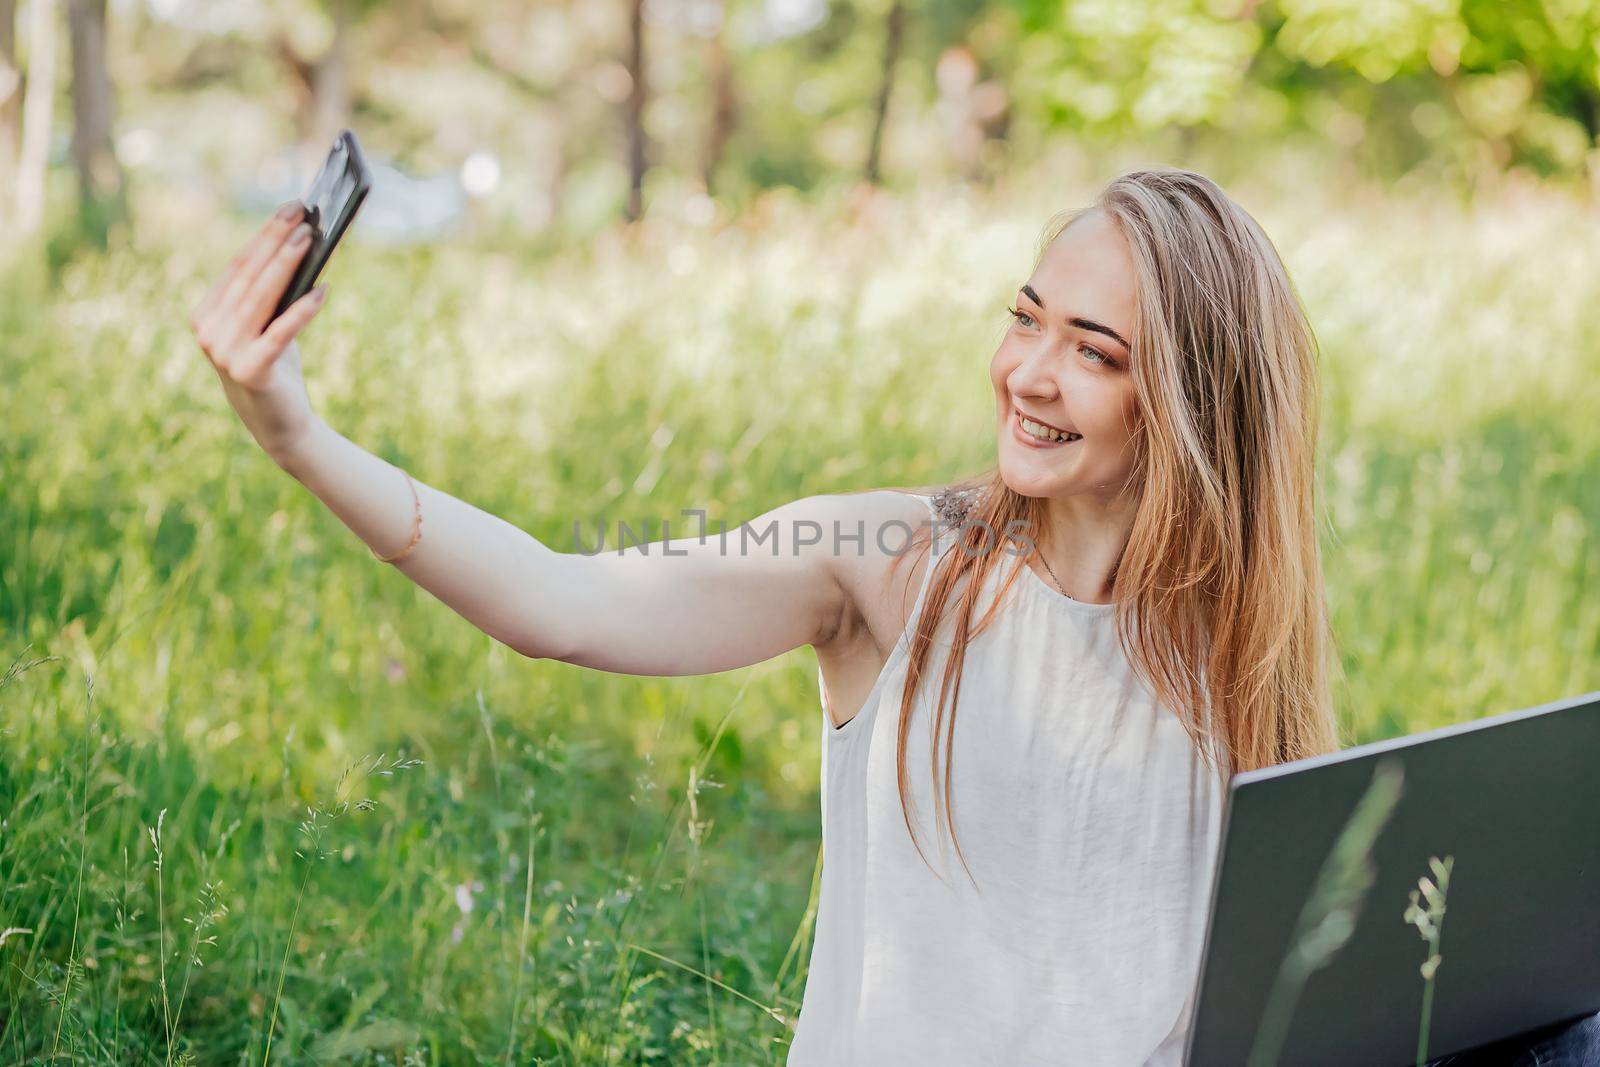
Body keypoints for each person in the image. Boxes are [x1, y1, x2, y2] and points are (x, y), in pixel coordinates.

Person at [186, 169, 1597, 1065]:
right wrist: (298, 432)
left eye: (1094, 352)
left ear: (1191, 406)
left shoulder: (1238, 639)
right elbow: (565, 603)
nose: (1028, 374)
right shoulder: (892, 561)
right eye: (1027, 316)